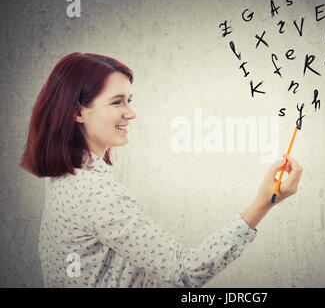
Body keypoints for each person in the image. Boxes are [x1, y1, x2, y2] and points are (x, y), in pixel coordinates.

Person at [20, 52, 303, 288]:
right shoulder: (94, 192)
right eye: (117, 101)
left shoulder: (68, 175)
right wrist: (263, 204)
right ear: (78, 111)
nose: (130, 113)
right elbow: (184, 272)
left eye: (130, 100)